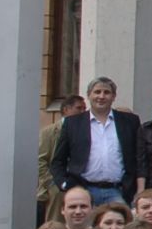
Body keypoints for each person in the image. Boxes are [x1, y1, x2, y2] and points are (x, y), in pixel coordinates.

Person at [49, 76, 142, 204]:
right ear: (88, 95)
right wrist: (64, 184)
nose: (101, 96)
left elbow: (138, 156)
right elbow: (58, 161)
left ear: (114, 96)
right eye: (97, 92)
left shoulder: (130, 121)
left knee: (119, 223)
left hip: (119, 190)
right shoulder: (73, 123)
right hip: (83, 190)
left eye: (106, 92)